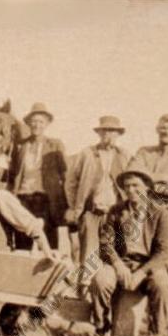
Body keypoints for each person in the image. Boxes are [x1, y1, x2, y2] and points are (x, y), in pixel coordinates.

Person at [90, 168, 168, 336]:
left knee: (161, 283)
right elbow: (106, 243)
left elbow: (163, 252)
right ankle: (101, 328)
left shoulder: (160, 212)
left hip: (147, 265)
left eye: (136, 185)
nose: (131, 190)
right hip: (121, 263)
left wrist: (142, 272)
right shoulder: (116, 211)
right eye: (127, 186)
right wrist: (118, 265)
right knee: (100, 280)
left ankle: (157, 335)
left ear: (147, 187)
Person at [64, 115, 130, 290]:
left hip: (115, 215)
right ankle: (83, 296)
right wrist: (74, 206)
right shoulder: (86, 154)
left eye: (113, 132)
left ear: (118, 134)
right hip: (92, 212)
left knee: (113, 255)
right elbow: (71, 182)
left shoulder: (124, 156)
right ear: (99, 133)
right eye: (105, 131)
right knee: (88, 257)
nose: (109, 135)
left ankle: (108, 298)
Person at [8, 103, 67, 251]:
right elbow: (13, 172)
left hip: (46, 200)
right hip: (23, 199)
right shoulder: (21, 146)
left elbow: (65, 174)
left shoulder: (55, 145)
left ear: (46, 124)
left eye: (41, 122)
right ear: (28, 123)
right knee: (23, 240)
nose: (37, 125)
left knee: (48, 242)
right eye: (33, 121)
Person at [128, 113, 168, 235]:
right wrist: (165, 178)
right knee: (135, 251)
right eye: (163, 128)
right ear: (157, 129)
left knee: (163, 251)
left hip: (165, 211)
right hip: (139, 211)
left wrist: (145, 182)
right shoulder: (143, 152)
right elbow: (132, 175)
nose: (166, 132)